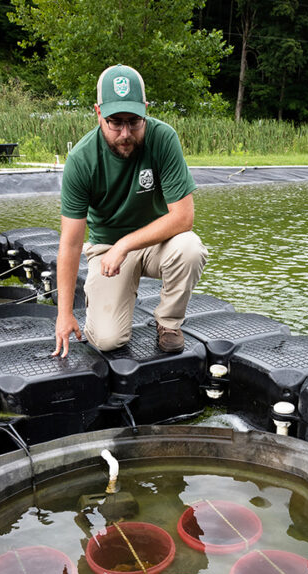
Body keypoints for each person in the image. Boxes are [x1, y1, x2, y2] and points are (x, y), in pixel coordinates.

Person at [53, 64, 208, 358]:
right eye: (115, 122)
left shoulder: (164, 138)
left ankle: (169, 323)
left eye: (134, 121)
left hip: (155, 244)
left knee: (190, 248)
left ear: (146, 110)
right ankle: (104, 298)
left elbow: (183, 217)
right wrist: (63, 314)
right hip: (106, 249)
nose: (125, 133)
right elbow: (71, 242)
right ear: (98, 113)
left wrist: (126, 244)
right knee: (107, 340)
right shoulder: (81, 160)